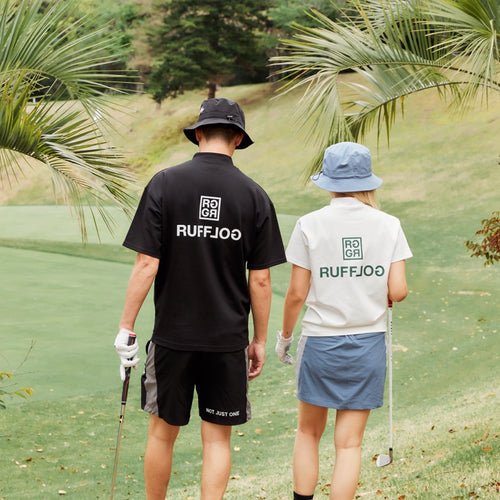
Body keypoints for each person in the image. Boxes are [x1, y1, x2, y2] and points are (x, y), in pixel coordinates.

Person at [114, 97, 287, 500]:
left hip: (173, 336)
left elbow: (145, 264)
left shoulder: (164, 183)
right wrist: (259, 340)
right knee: (217, 441)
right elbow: (260, 281)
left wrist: (125, 327)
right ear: (238, 138)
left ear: (199, 134)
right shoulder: (254, 196)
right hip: (227, 341)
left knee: (162, 435)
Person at [275, 142, 412, 500]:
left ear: (329, 182)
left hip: (320, 342)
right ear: (368, 181)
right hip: (367, 344)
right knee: (349, 445)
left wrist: (285, 337)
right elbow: (397, 290)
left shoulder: (309, 224)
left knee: (308, 433)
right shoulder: (389, 224)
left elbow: (296, 294)